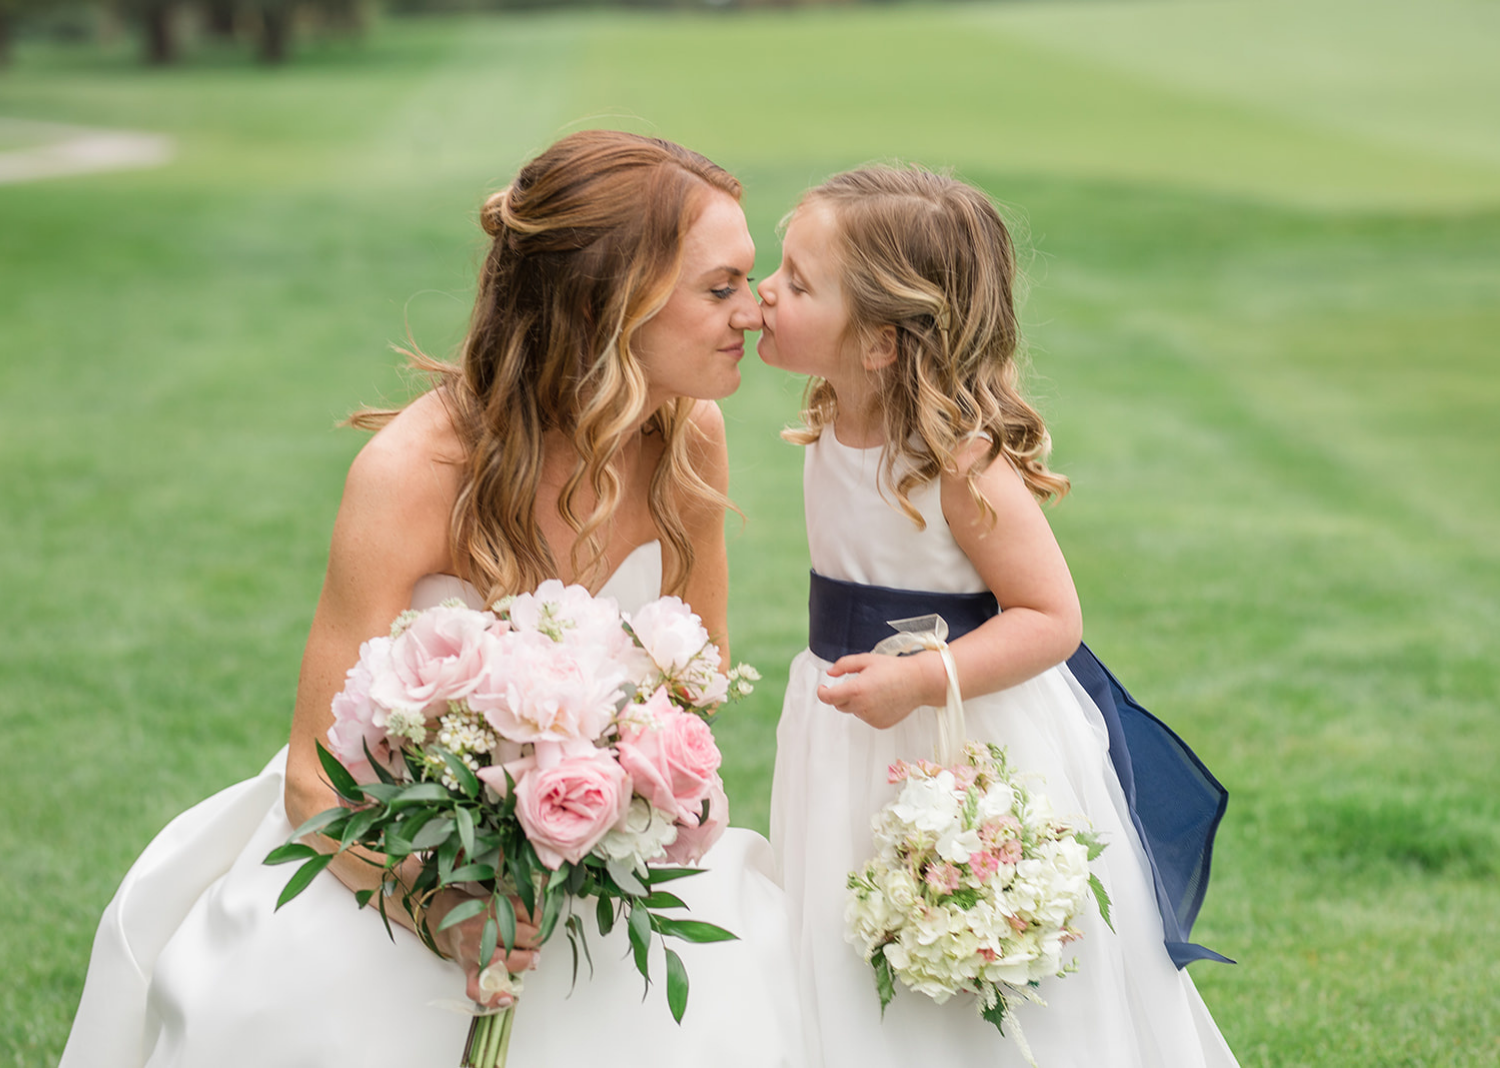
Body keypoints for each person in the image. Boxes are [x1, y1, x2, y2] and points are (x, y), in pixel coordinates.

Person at [60, 130, 809, 1068]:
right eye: (722, 285)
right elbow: (312, 781)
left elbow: (688, 694)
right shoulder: (412, 472)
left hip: (609, 855)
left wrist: (629, 804)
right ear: (611, 302)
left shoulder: (688, 437)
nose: (754, 311)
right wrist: (444, 904)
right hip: (394, 848)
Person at [759, 165, 1239, 1066]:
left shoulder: (959, 464)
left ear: (878, 343)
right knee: (852, 937)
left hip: (961, 734)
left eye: (795, 281)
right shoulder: (831, 421)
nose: (763, 293)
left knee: (980, 942)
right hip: (847, 722)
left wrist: (919, 679)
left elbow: (1051, 618)